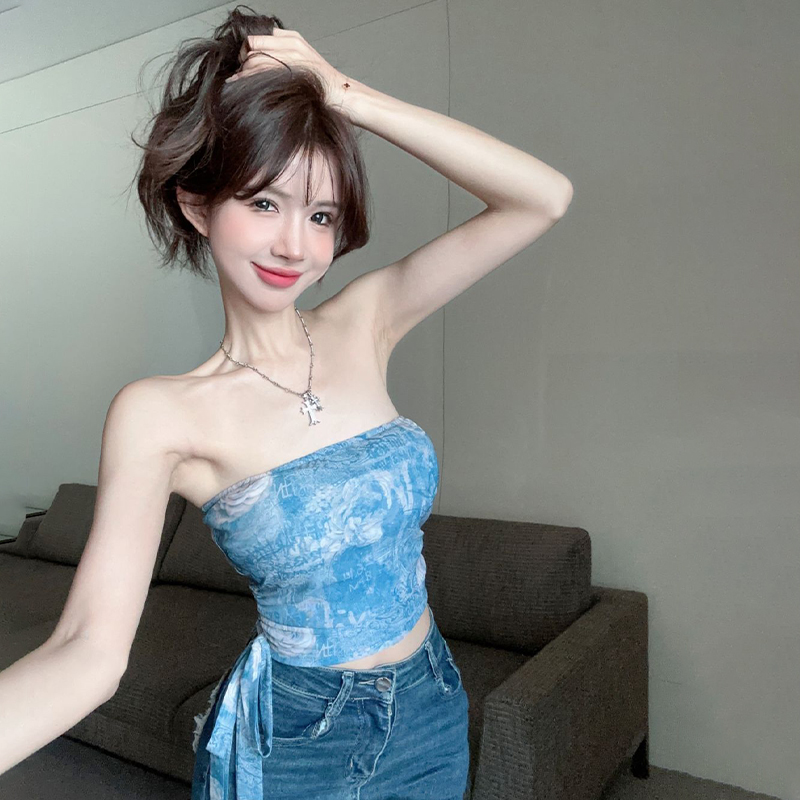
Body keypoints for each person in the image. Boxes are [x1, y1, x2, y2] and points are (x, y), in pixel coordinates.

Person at [0, 5, 572, 798]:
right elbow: (85, 652)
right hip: (296, 740)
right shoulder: (161, 414)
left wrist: (344, 95)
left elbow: (542, 197)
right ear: (198, 205)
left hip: (432, 706)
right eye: (264, 203)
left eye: (321, 214)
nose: (294, 246)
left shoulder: (364, 322)